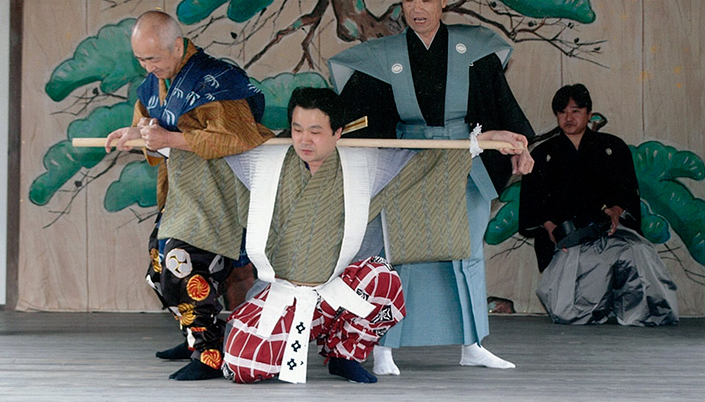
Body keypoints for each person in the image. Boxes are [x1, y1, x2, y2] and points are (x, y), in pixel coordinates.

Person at [218, 87, 529, 384]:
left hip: (332, 297)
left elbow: (427, 161)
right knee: (242, 367)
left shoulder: (364, 166)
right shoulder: (269, 160)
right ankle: (283, 344)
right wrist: (168, 142)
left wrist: (481, 140)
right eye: (297, 129)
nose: (304, 140)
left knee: (382, 278)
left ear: (338, 132)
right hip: (280, 296)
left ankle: (344, 353)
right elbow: (215, 153)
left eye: (315, 131)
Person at [329, 0, 534, 375]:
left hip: (466, 161)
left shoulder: (474, 51)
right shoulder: (382, 57)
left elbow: (502, 107)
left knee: (468, 252)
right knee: (396, 255)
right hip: (408, 161)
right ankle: (383, 348)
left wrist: (518, 145)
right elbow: (351, 116)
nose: (416, 7)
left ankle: (472, 344)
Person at [104, 10, 274, 380]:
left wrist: (169, 139)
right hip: (181, 193)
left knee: (185, 264)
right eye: (141, 60)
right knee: (159, 268)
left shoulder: (217, 79)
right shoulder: (152, 85)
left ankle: (210, 353)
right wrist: (134, 133)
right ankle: (194, 334)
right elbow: (150, 125)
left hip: (218, 194)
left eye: (154, 58)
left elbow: (241, 137)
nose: (148, 67)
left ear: (178, 45)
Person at [519, 84, 679, 326]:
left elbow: (627, 192)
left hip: (609, 230)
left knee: (638, 252)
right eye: (562, 112)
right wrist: (551, 228)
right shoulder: (542, 154)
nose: (568, 118)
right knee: (568, 309)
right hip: (564, 236)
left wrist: (617, 210)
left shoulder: (612, 147)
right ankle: (589, 309)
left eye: (575, 111)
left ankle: (645, 313)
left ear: (588, 112)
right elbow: (532, 201)